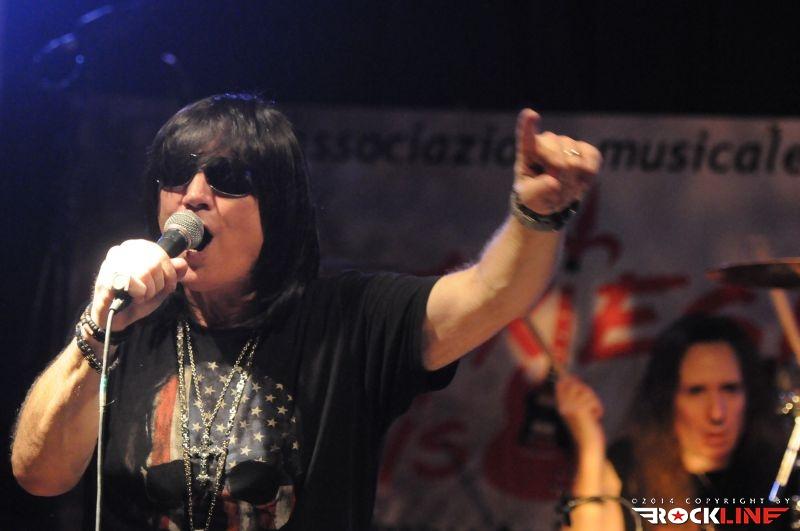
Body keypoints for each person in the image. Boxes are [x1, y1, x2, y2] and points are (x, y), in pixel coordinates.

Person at [11, 93, 600, 530]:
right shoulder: (127, 320)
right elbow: (38, 475)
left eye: (227, 179)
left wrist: (536, 214)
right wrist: (100, 329)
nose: (193, 195)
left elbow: (493, 292)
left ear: (279, 207)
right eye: (176, 174)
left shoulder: (350, 319)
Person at [556, 314, 787, 531]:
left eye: (730, 389)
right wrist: (590, 448)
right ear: (667, 398)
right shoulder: (628, 467)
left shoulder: (781, 473)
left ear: (750, 395)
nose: (717, 413)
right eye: (696, 391)